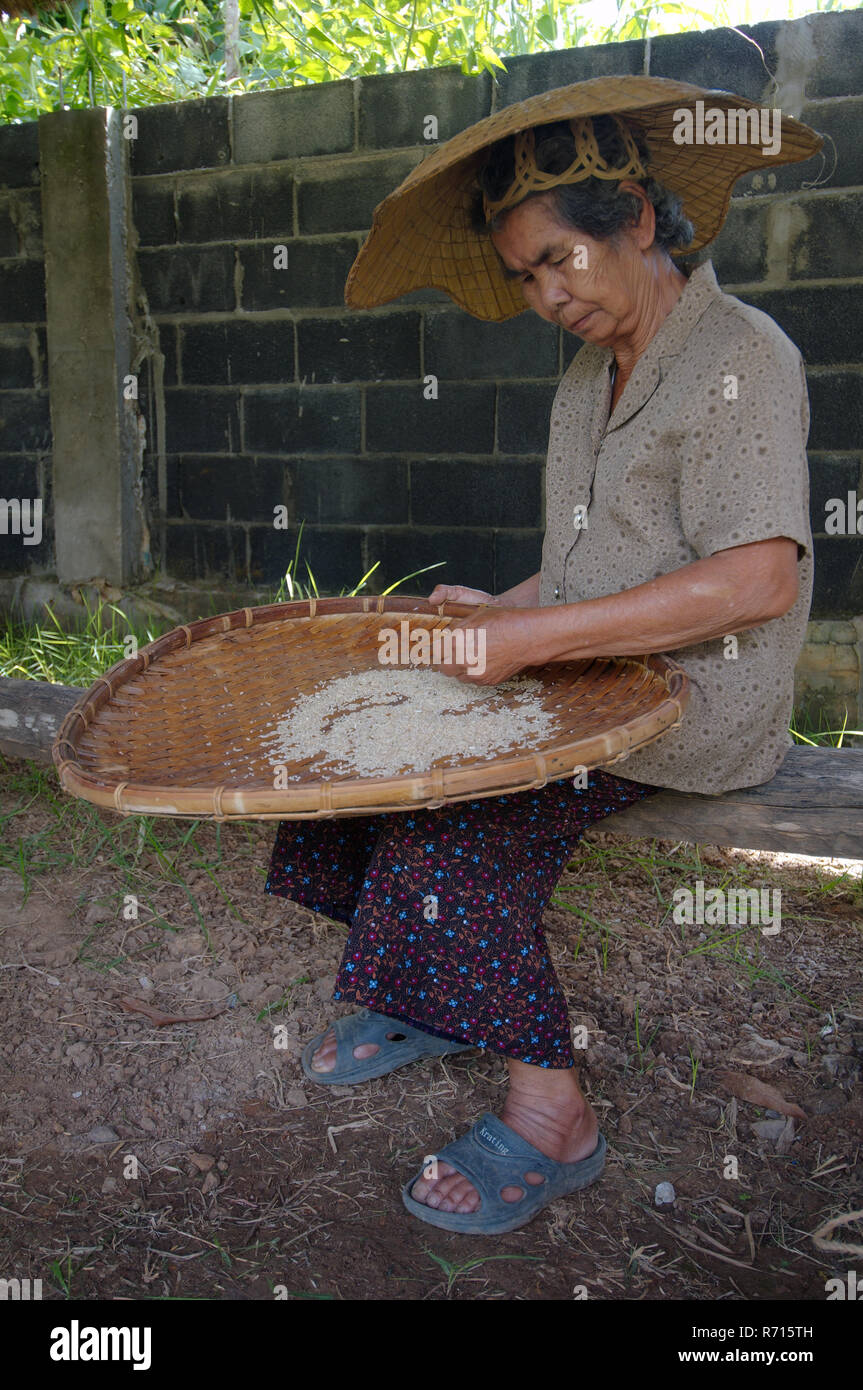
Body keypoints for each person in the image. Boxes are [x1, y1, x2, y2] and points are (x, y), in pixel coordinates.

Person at [266, 81, 818, 1234]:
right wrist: (498, 607)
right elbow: (590, 563)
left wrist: (526, 640)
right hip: (592, 670)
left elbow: (759, 577)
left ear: (635, 215)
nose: (546, 293)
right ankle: (427, 997)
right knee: (357, 731)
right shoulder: (586, 376)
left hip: (689, 700)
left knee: (451, 811)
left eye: (561, 256)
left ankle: (550, 1117)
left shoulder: (737, 357)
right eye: (523, 276)